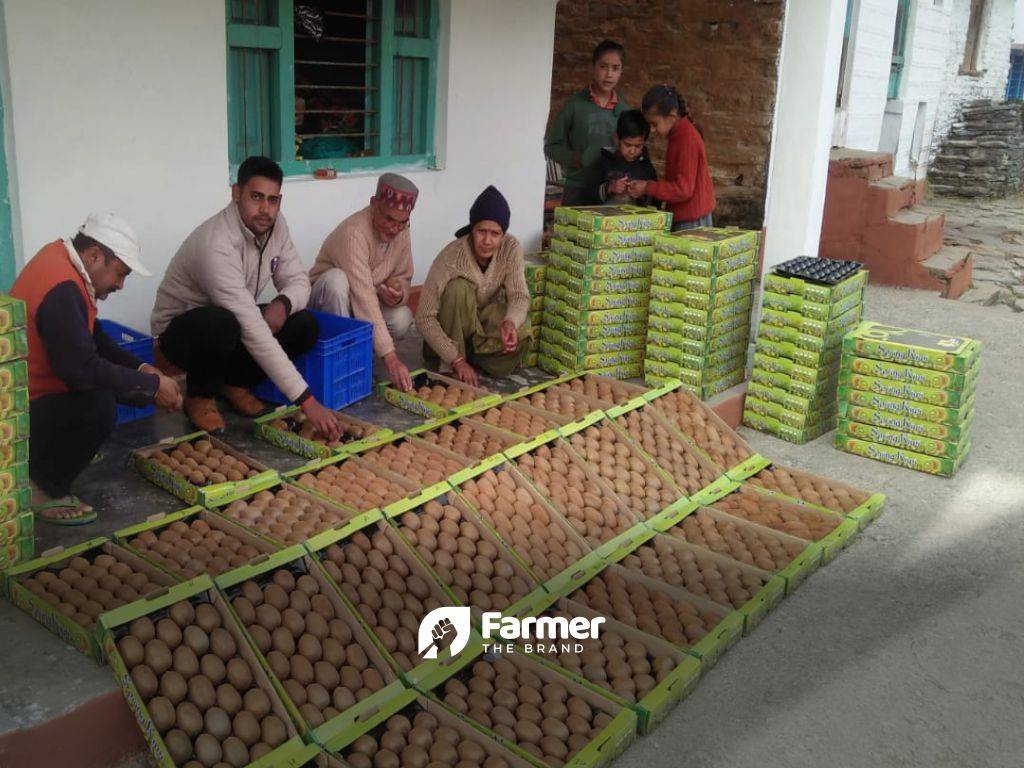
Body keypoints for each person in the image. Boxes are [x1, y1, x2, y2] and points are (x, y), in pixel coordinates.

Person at [9, 214, 182, 524]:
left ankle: (57, 453)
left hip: (29, 398)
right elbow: (80, 371)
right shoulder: (62, 288)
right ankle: (41, 484)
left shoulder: (60, 261)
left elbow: (95, 338)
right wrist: (151, 387)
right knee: (99, 405)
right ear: (94, 256)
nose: (120, 284)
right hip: (19, 413)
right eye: (120, 273)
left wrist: (145, 371)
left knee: (112, 388)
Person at [151, 156, 340, 439]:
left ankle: (233, 383)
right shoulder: (216, 244)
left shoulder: (275, 226)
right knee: (223, 323)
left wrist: (283, 303)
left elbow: (299, 281)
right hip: (180, 337)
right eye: (256, 197)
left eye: (273, 200)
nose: (265, 209)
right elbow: (250, 327)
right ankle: (200, 395)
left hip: (235, 321)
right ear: (236, 193)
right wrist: (307, 401)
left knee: (304, 324)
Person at [309, 173, 418, 392]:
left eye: (401, 222)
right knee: (337, 281)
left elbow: (404, 276)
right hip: (325, 307)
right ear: (373, 204)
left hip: (361, 304)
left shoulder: (402, 230)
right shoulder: (354, 233)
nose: (394, 228)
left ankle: (359, 351)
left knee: (402, 317)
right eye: (388, 219)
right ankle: (342, 361)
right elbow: (364, 296)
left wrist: (397, 291)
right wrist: (390, 357)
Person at [415, 186, 530, 386]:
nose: (487, 241)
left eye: (495, 234)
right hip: (452, 329)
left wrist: (510, 322)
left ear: (503, 235)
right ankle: (453, 359)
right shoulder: (451, 257)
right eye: (481, 231)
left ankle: (475, 358)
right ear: (471, 230)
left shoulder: (510, 248)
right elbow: (423, 317)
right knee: (457, 289)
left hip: (480, 327)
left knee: (523, 331)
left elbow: (519, 295)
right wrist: (455, 359)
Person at [544, 40, 630, 206]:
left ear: (621, 71)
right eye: (603, 67)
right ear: (593, 67)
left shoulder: (624, 111)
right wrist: (575, 158)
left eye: (615, 68)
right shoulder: (574, 106)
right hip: (577, 189)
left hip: (611, 191)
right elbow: (551, 146)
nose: (609, 74)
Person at [628, 85, 716, 231]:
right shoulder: (678, 134)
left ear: (672, 115)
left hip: (692, 220)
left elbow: (683, 189)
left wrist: (648, 187)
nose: (653, 130)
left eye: (654, 124)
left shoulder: (686, 138)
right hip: (688, 215)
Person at [580, 109, 658, 206]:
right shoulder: (604, 161)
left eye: (638, 146)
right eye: (627, 145)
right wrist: (609, 188)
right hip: (607, 219)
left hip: (635, 220)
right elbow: (586, 194)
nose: (632, 151)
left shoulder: (646, 166)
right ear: (617, 138)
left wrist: (643, 191)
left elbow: (655, 200)